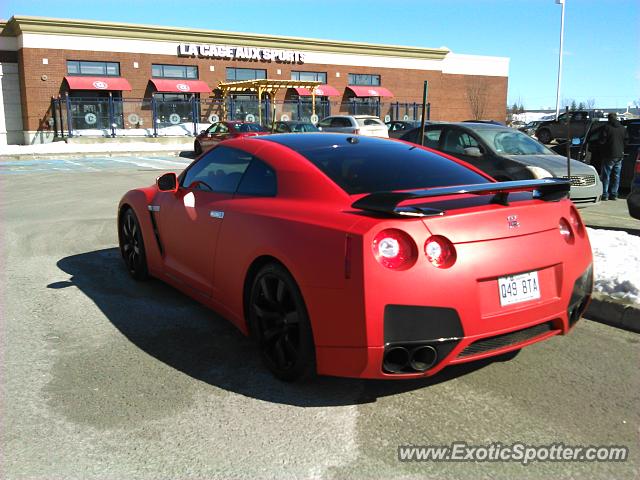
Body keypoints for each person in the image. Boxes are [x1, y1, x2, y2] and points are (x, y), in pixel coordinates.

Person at [598, 113, 627, 200]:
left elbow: (602, 141)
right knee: (616, 175)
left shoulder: (606, 128)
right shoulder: (623, 128)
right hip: (620, 155)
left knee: (606, 175)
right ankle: (614, 194)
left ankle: (605, 194)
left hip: (609, 155)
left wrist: (600, 148)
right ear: (616, 118)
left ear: (609, 118)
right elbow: (626, 141)